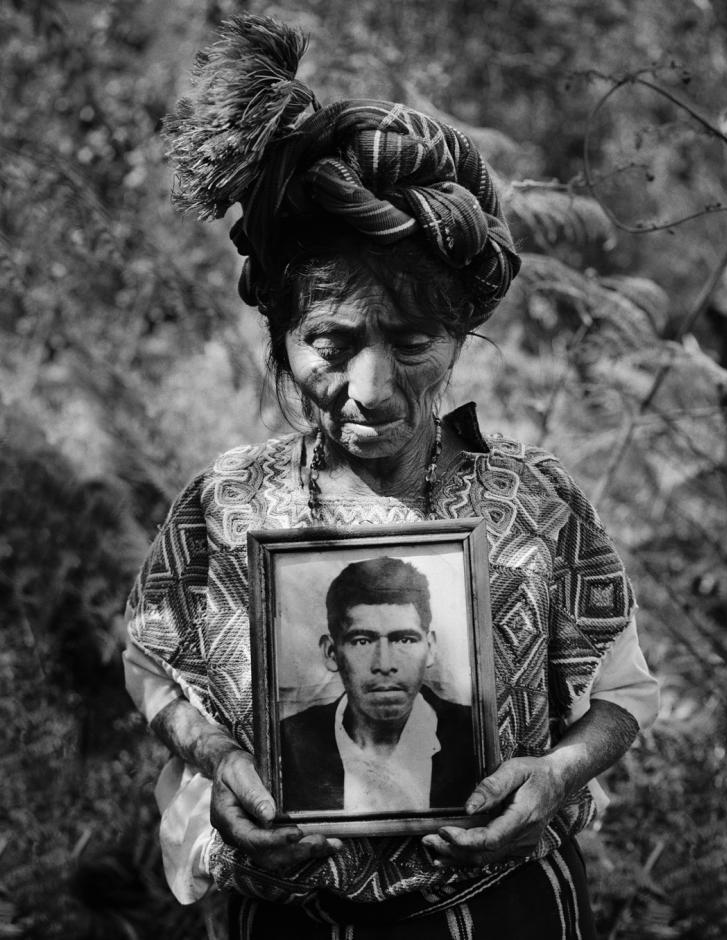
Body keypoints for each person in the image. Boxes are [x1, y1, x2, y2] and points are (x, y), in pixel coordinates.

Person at [122, 13, 659, 938]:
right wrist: (215, 762)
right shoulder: (226, 506)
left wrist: (557, 775)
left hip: (498, 913)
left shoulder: (536, 504)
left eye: (411, 342)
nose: (368, 390)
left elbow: (621, 690)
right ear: (283, 337)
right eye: (331, 342)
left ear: (458, 334)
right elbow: (153, 661)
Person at [280, 556, 475, 812]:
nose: (384, 664)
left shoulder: (475, 735)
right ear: (331, 653)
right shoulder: (287, 741)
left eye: (404, 640)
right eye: (362, 641)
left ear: (430, 648)